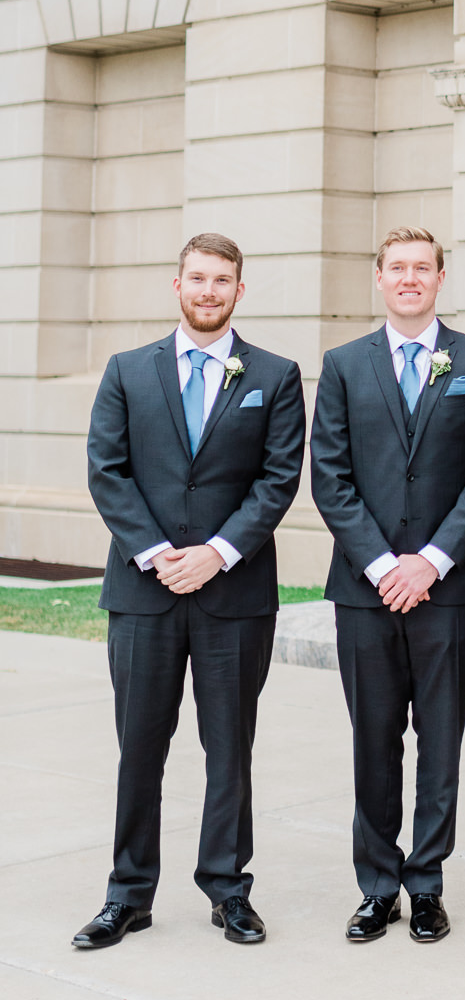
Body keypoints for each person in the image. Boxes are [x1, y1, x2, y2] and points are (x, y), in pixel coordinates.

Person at [76, 234, 305, 950]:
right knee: (139, 747)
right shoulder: (126, 371)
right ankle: (128, 895)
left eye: (223, 280)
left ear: (241, 289)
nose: (209, 291)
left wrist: (216, 553)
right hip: (144, 594)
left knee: (228, 748)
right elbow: (107, 471)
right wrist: (155, 555)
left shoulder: (275, 374)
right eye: (198, 278)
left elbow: (277, 479)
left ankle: (228, 889)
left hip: (232, 595)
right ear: (176, 284)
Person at [310, 227, 465, 945]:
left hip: (448, 590)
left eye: (422, 268)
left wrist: (430, 560)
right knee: (374, 740)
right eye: (397, 268)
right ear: (378, 277)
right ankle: (375, 886)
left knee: (442, 742)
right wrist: (382, 564)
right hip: (365, 591)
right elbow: (328, 477)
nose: (409, 278)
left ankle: (426, 883)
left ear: (440, 278)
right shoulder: (341, 364)